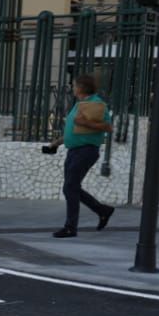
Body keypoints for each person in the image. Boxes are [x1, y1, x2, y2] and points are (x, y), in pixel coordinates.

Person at [43, 74, 115, 238]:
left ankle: (71, 227)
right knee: (72, 187)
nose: (72, 88)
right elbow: (74, 130)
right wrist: (56, 143)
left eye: (74, 85)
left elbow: (108, 127)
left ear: (81, 88)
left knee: (70, 187)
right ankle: (103, 210)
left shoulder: (96, 104)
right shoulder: (80, 105)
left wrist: (86, 123)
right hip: (74, 151)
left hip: (86, 151)